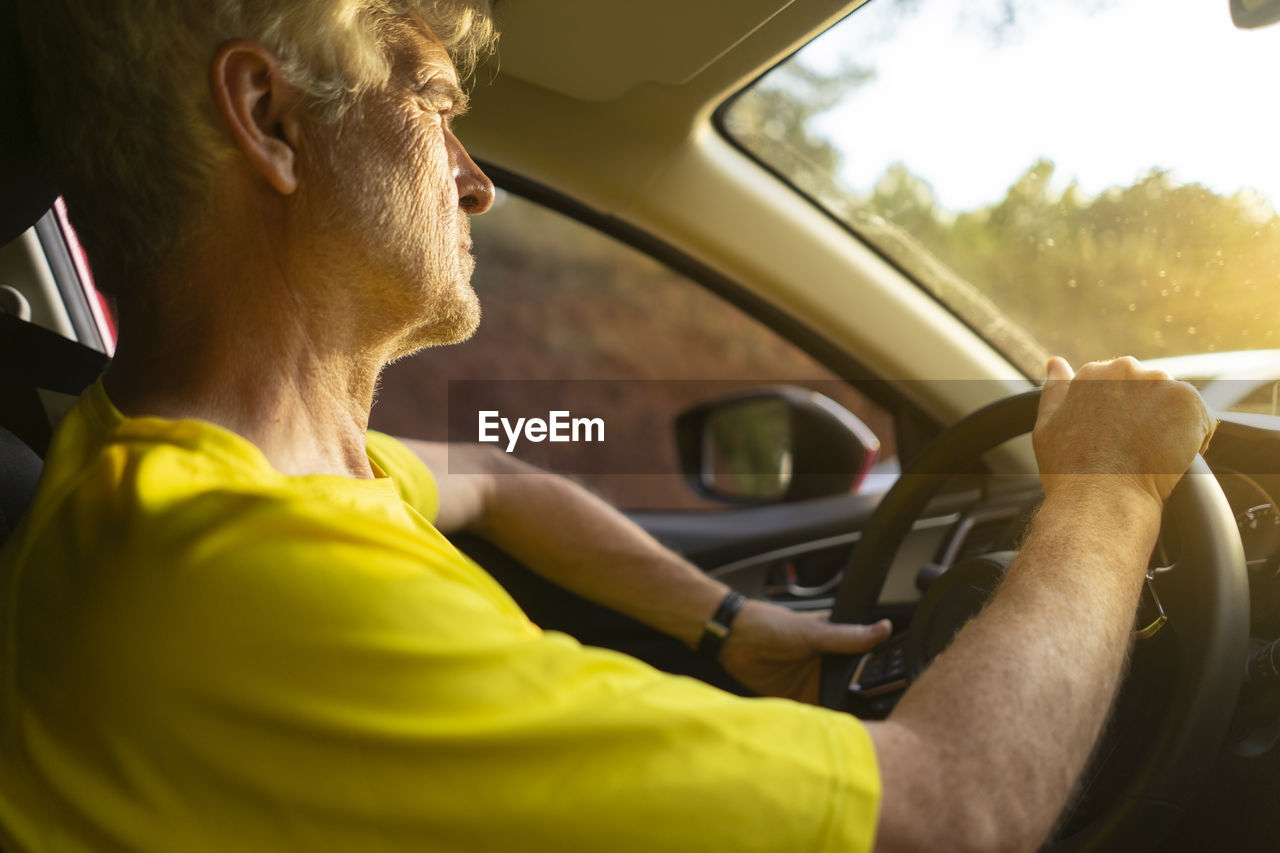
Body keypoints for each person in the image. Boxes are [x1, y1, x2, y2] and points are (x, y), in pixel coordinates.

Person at [0, 1, 1215, 850]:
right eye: (432, 103)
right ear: (267, 118)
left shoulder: (206, 470)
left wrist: (726, 619)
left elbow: (492, 476)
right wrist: (1107, 487)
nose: (474, 179)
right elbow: (952, 813)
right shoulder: (238, 577)